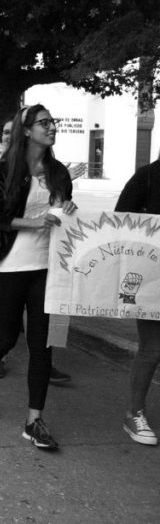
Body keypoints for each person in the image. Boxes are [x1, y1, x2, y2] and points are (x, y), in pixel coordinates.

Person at [0, 105, 75, 451]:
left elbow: (64, 208)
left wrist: (68, 210)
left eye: (52, 122)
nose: (51, 127)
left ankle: (34, 420)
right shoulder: (6, 169)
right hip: (8, 264)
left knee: (42, 344)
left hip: (46, 265)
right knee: (7, 335)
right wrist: (32, 223)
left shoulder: (58, 171)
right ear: (27, 131)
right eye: (44, 123)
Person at [112, 150, 160, 445]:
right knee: (153, 349)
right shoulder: (148, 176)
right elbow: (120, 221)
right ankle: (135, 412)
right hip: (152, 276)